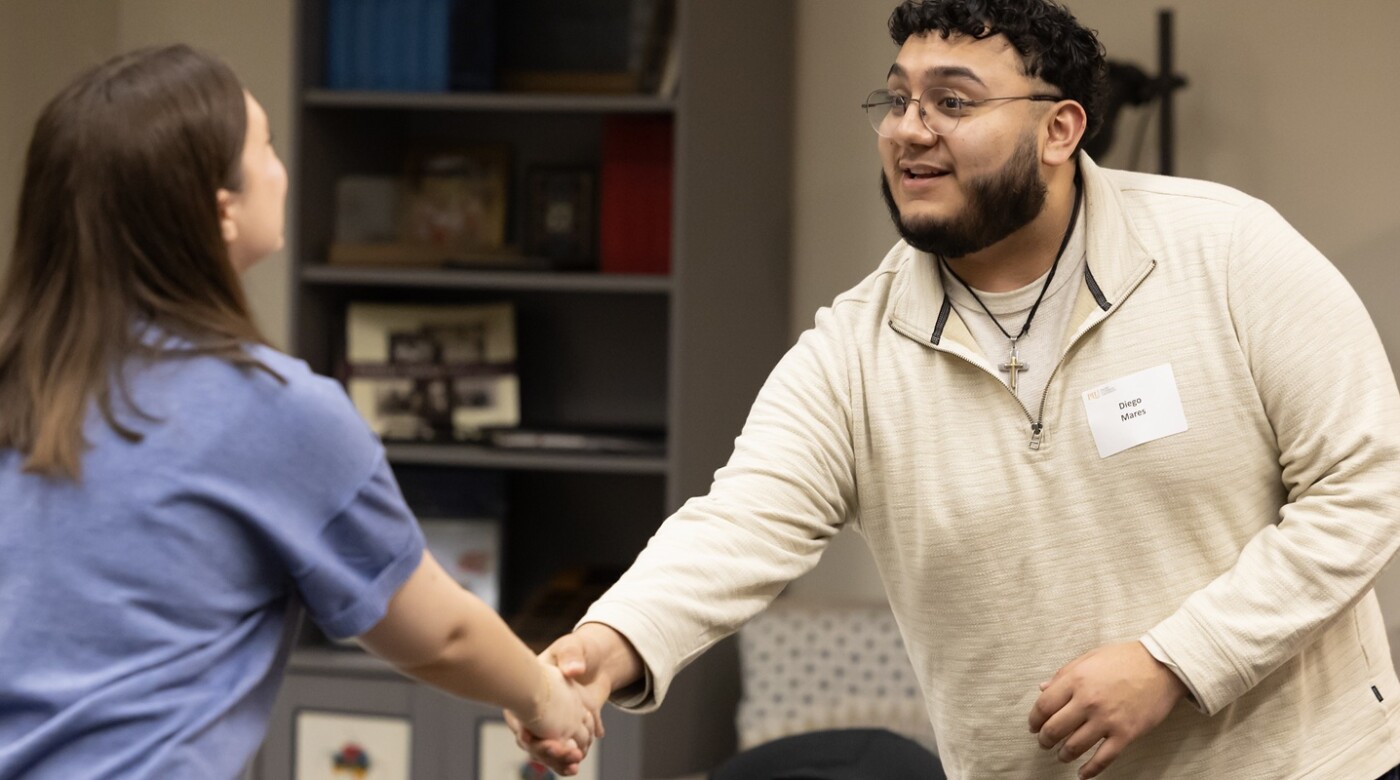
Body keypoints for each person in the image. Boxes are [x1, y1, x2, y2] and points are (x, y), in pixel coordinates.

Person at [508, 1, 1400, 778]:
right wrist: (606, 645)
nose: (908, 127)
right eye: (896, 99)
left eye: (952, 101)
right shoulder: (854, 351)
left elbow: (1365, 489)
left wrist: (1174, 661)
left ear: (1060, 129)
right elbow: (736, 526)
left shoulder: (1229, 252)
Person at [0, 45, 596, 779]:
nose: (280, 171)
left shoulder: (18, 384)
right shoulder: (269, 412)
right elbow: (440, 634)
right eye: (267, 146)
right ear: (222, 210)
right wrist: (546, 699)